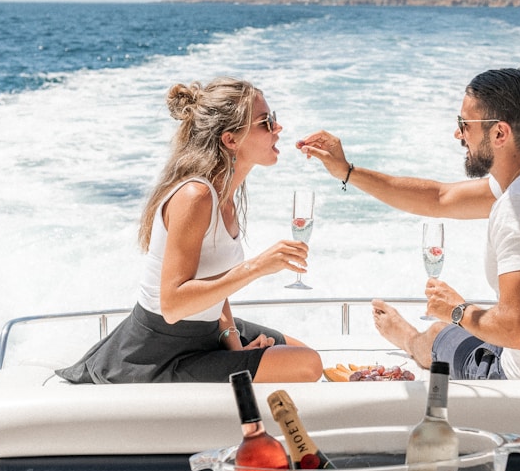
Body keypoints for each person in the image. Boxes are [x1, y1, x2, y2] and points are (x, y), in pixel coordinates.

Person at [296, 68, 520, 382]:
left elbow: (517, 332)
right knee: (477, 321)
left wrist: (456, 310)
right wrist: (347, 172)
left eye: (464, 123)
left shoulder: (519, 209)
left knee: (441, 332)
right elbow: (439, 198)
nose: (458, 133)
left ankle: (410, 340)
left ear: (500, 132)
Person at [57, 77, 323, 384]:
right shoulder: (195, 196)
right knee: (308, 365)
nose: (278, 128)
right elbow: (172, 305)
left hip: (207, 333)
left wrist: (234, 346)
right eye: (266, 122)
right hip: (160, 354)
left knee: (302, 352)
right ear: (230, 139)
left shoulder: (226, 198)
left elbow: (215, 280)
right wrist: (257, 267)